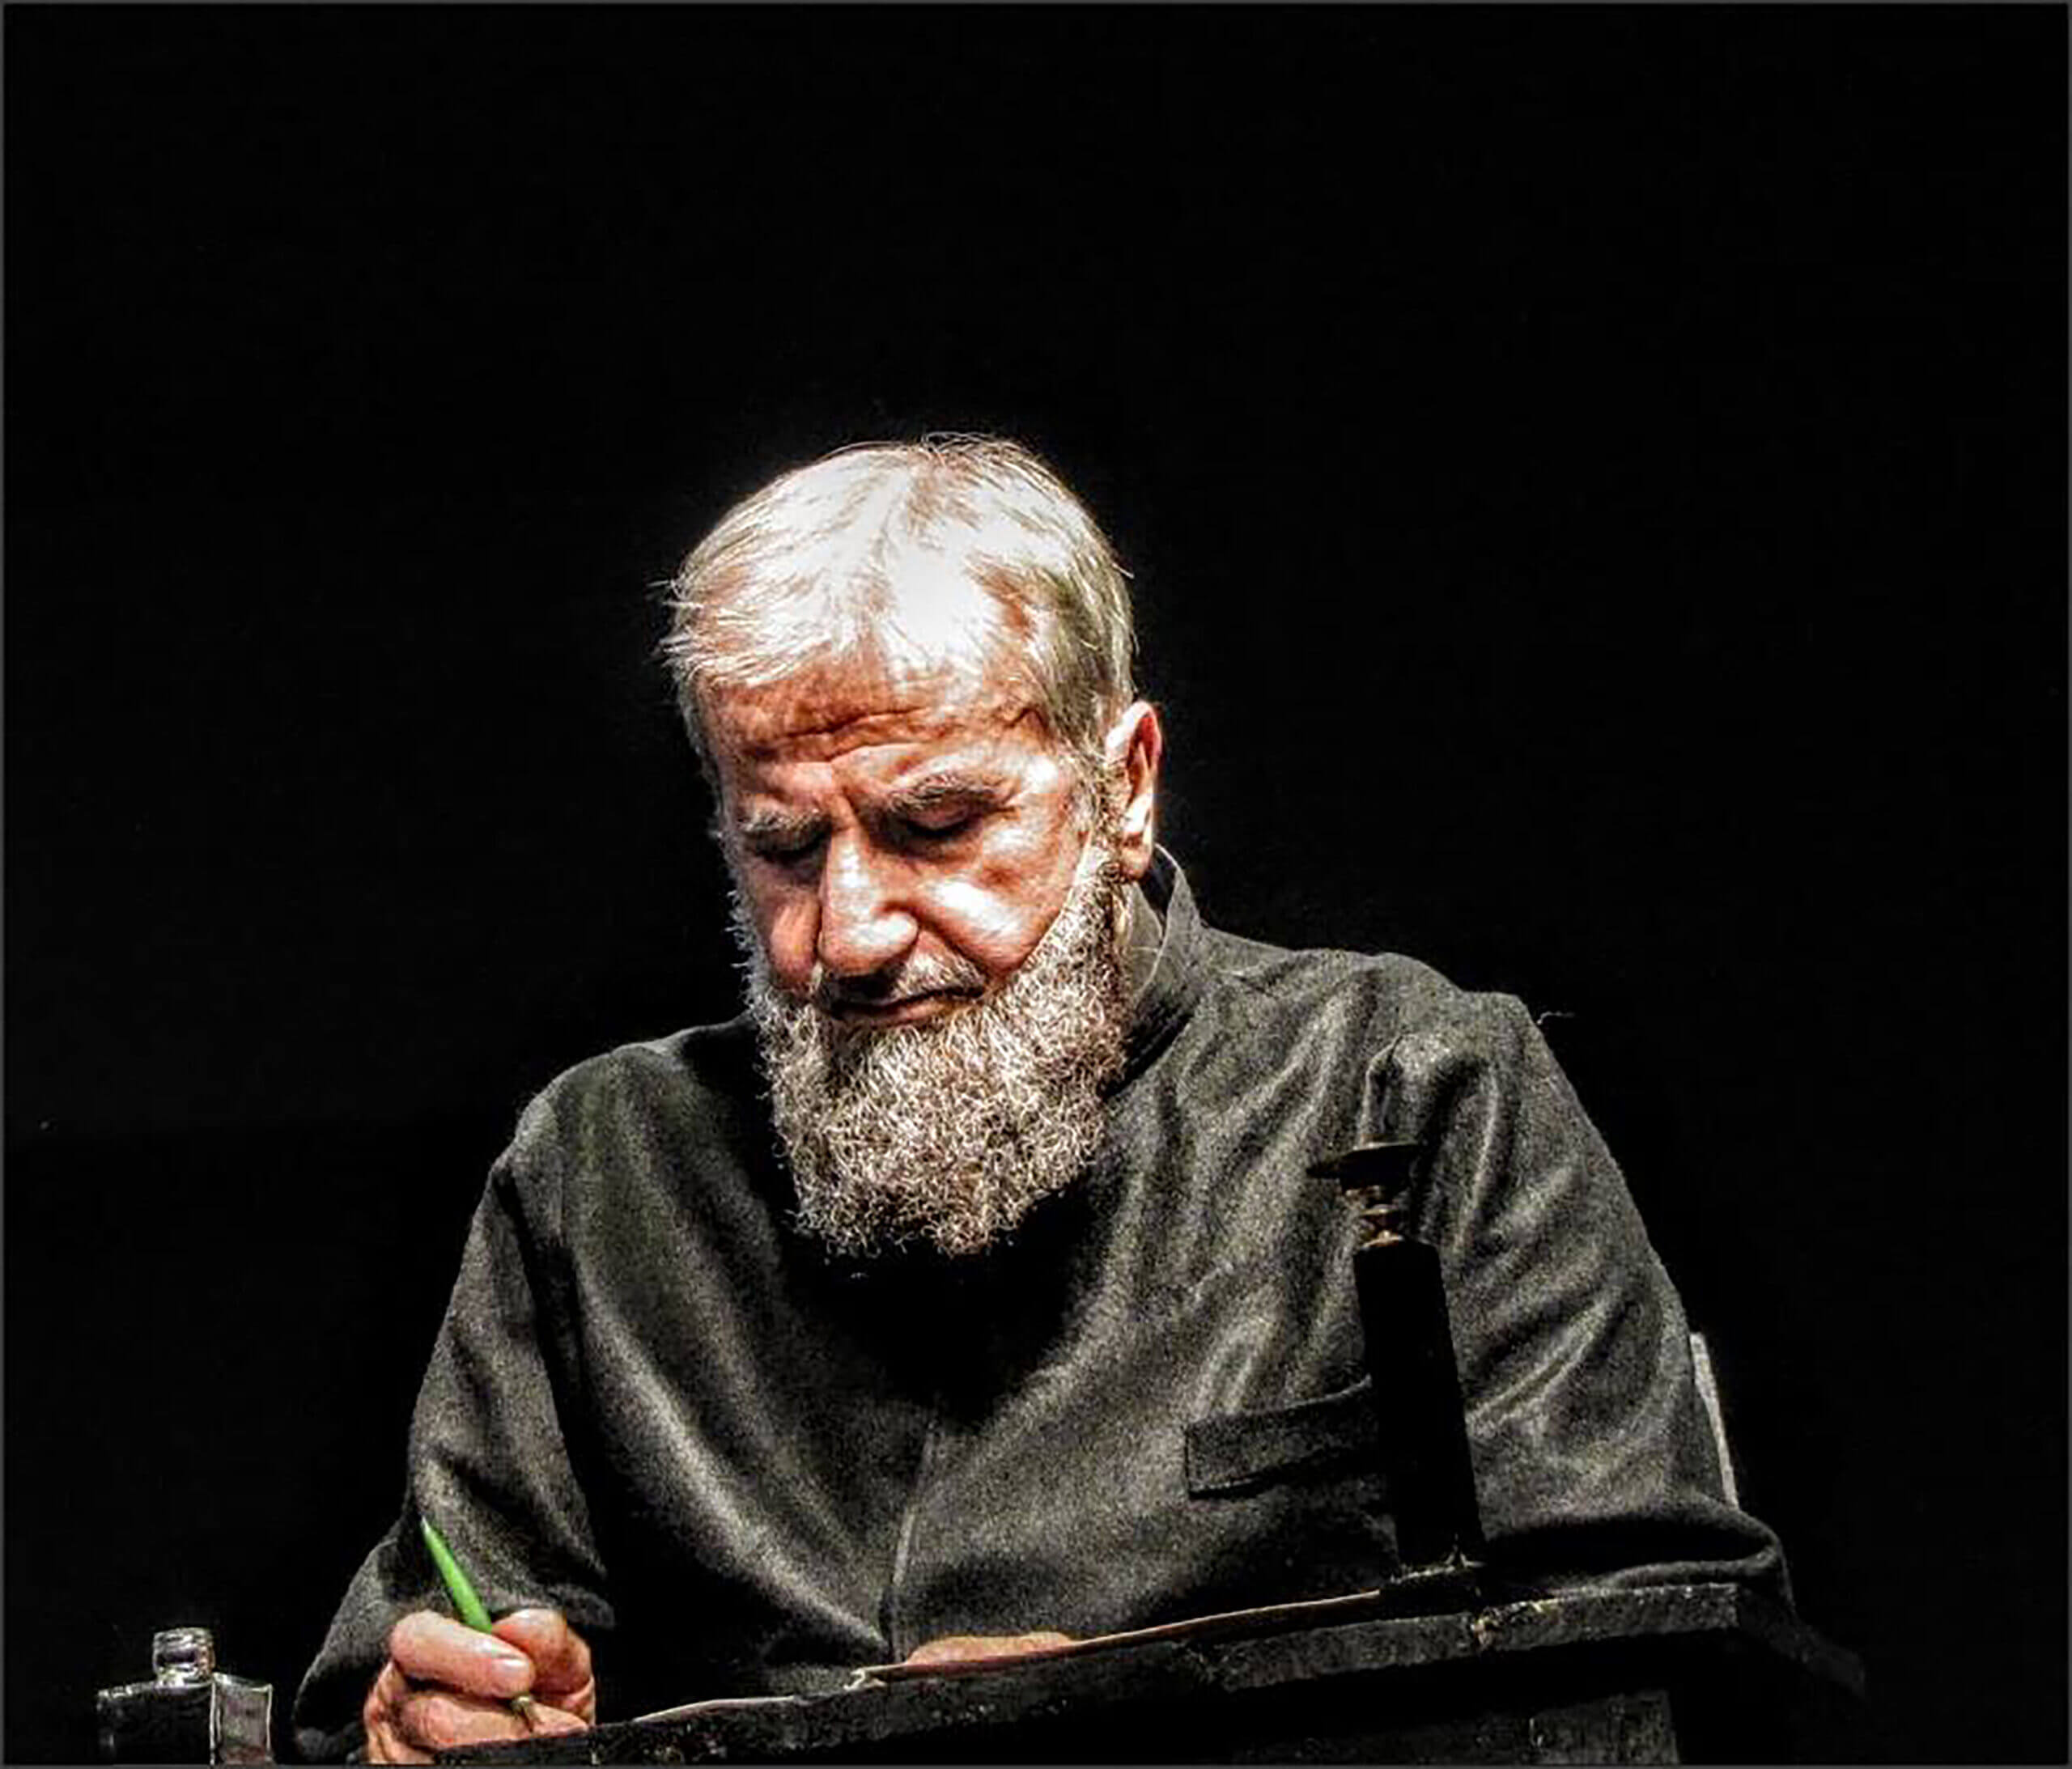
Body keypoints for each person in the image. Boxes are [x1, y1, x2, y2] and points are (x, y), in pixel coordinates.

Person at [293, 436, 1786, 1763]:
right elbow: (400, 1676)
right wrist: (427, 1719)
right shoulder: (598, 1170)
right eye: (784, 848)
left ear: (1124, 786)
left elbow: (1664, 1665)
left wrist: (1123, 1718)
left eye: (936, 825)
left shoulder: (1419, 1081)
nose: (849, 934)